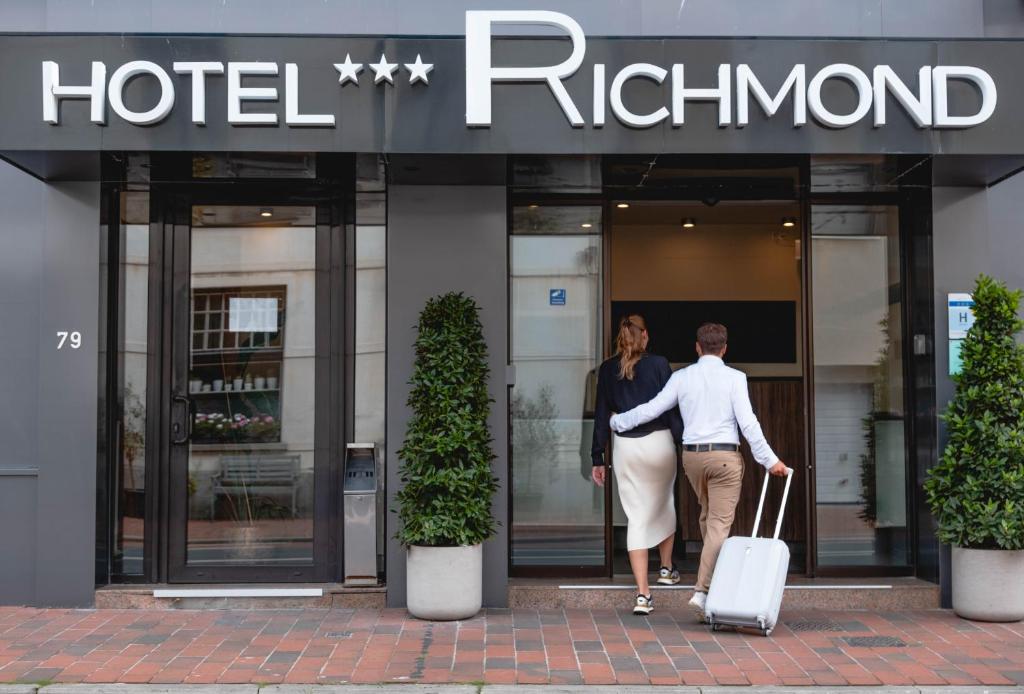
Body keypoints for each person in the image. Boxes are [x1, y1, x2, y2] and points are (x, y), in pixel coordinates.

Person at [610, 322, 788, 622]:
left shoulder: (683, 377)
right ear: (725, 348)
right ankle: (703, 590)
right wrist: (770, 461)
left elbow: (653, 409)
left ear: (697, 347)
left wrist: (617, 423)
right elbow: (748, 423)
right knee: (718, 525)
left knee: (708, 519)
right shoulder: (735, 378)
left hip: (692, 460)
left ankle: (714, 589)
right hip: (723, 459)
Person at [592, 314, 683, 616]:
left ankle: (643, 594)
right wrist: (684, 442)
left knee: (637, 516)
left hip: (626, 448)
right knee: (664, 502)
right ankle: (667, 568)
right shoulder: (658, 364)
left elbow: (602, 414)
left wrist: (597, 457)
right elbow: (670, 409)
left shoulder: (606, 369)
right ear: (644, 336)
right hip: (659, 443)